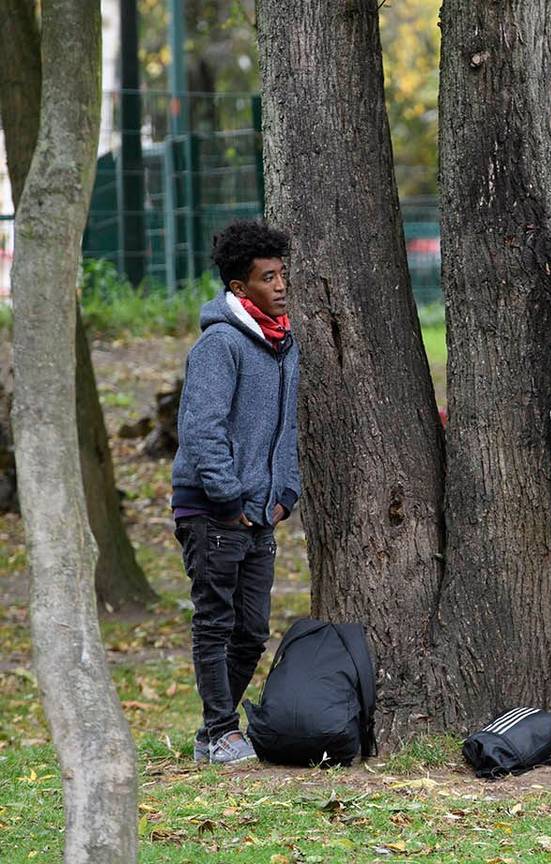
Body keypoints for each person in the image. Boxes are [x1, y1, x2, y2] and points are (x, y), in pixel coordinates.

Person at [171, 219, 300, 765]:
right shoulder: (220, 344)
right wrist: (226, 499)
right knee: (215, 620)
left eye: (282, 274)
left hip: (259, 512)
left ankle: (212, 733)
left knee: (251, 630)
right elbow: (202, 427)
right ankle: (221, 729)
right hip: (213, 512)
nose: (280, 285)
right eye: (268, 277)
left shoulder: (283, 343)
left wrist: (285, 492)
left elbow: (287, 428)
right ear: (240, 288)